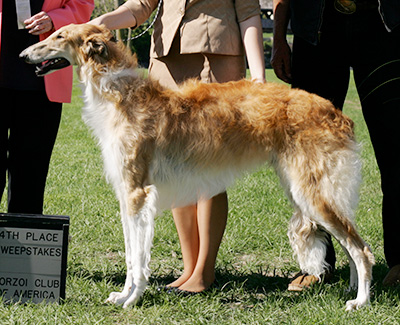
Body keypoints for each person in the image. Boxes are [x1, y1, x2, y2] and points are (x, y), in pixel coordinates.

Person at [90, 0, 266, 294]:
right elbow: (140, 6)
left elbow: (249, 13)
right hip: (167, 63)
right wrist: (104, 22)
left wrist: (258, 73)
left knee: (210, 168)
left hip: (216, 61)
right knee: (174, 168)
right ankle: (188, 268)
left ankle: (204, 272)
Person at [271, 0, 400, 289]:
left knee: (396, 146)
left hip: (383, 26)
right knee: (309, 155)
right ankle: (317, 265)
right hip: (317, 31)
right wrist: (279, 38)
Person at [0, 0, 94, 214]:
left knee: (30, 176)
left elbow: (83, 4)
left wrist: (56, 20)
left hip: (43, 81)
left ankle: (25, 245)